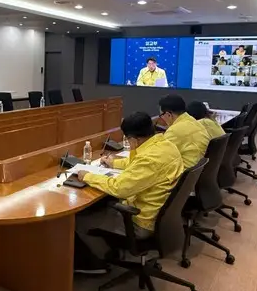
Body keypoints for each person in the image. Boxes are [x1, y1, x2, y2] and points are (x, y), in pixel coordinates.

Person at [71, 112, 184, 273]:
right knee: (104, 205)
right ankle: (111, 252)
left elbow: (119, 188)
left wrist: (87, 176)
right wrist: (114, 163)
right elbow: (138, 165)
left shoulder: (148, 159)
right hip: (159, 216)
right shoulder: (166, 145)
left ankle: (97, 263)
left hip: (140, 222)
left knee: (79, 220)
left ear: (133, 139)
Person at [158, 95, 210, 168]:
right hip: (198, 170)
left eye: (161, 115)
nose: (162, 119)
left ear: (168, 115)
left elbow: (161, 157)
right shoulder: (195, 122)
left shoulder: (174, 131)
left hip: (185, 172)